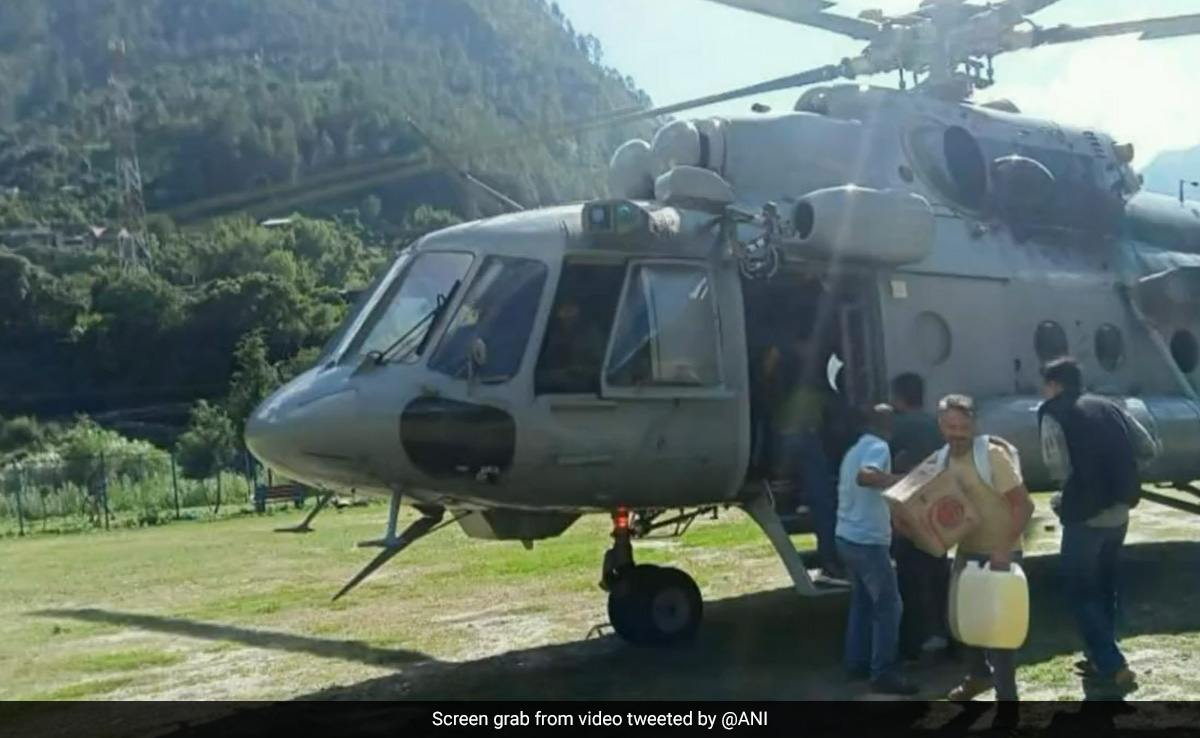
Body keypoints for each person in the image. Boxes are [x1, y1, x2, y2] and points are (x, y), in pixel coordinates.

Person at [1037, 357, 1159, 698]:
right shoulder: (1111, 406)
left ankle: (1112, 662)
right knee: (1107, 584)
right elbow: (1148, 448)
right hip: (1120, 510)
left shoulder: (1054, 412)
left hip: (1084, 516)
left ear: (1053, 383)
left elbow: (1057, 466)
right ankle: (1098, 654)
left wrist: (1068, 496)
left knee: (1079, 589)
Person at [933, 394, 1035, 702]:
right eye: (952, 426)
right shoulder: (941, 459)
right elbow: (920, 490)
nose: (958, 433)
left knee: (1000, 635)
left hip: (1001, 553)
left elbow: (1025, 506)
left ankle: (1008, 701)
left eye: (964, 426)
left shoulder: (992, 457)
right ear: (941, 425)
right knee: (964, 624)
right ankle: (977, 678)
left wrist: (1004, 548)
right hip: (967, 552)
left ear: (973, 425)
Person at [835, 403, 919, 696]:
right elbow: (866, 476)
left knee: (863, 604)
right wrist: (904, 481)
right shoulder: (879, 447)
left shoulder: (852, 450)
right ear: (887, 424)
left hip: (846, 537)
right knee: (889, 606)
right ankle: (883, 673)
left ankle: (855, 664)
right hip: (867, 542)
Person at [888, 373, 954, 662]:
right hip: (936, 513)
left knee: (910, 581)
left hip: (908, 516)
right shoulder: (934, 426)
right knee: (938, 576)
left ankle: (914, 641)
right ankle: (946, 635)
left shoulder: (897, 428)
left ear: (899, 397)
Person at [776, 340, 843, 579]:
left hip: (782, 439)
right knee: (824, 500)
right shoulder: (816, 384)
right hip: (805, 438)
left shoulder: (782, 381)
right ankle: (830, 560)